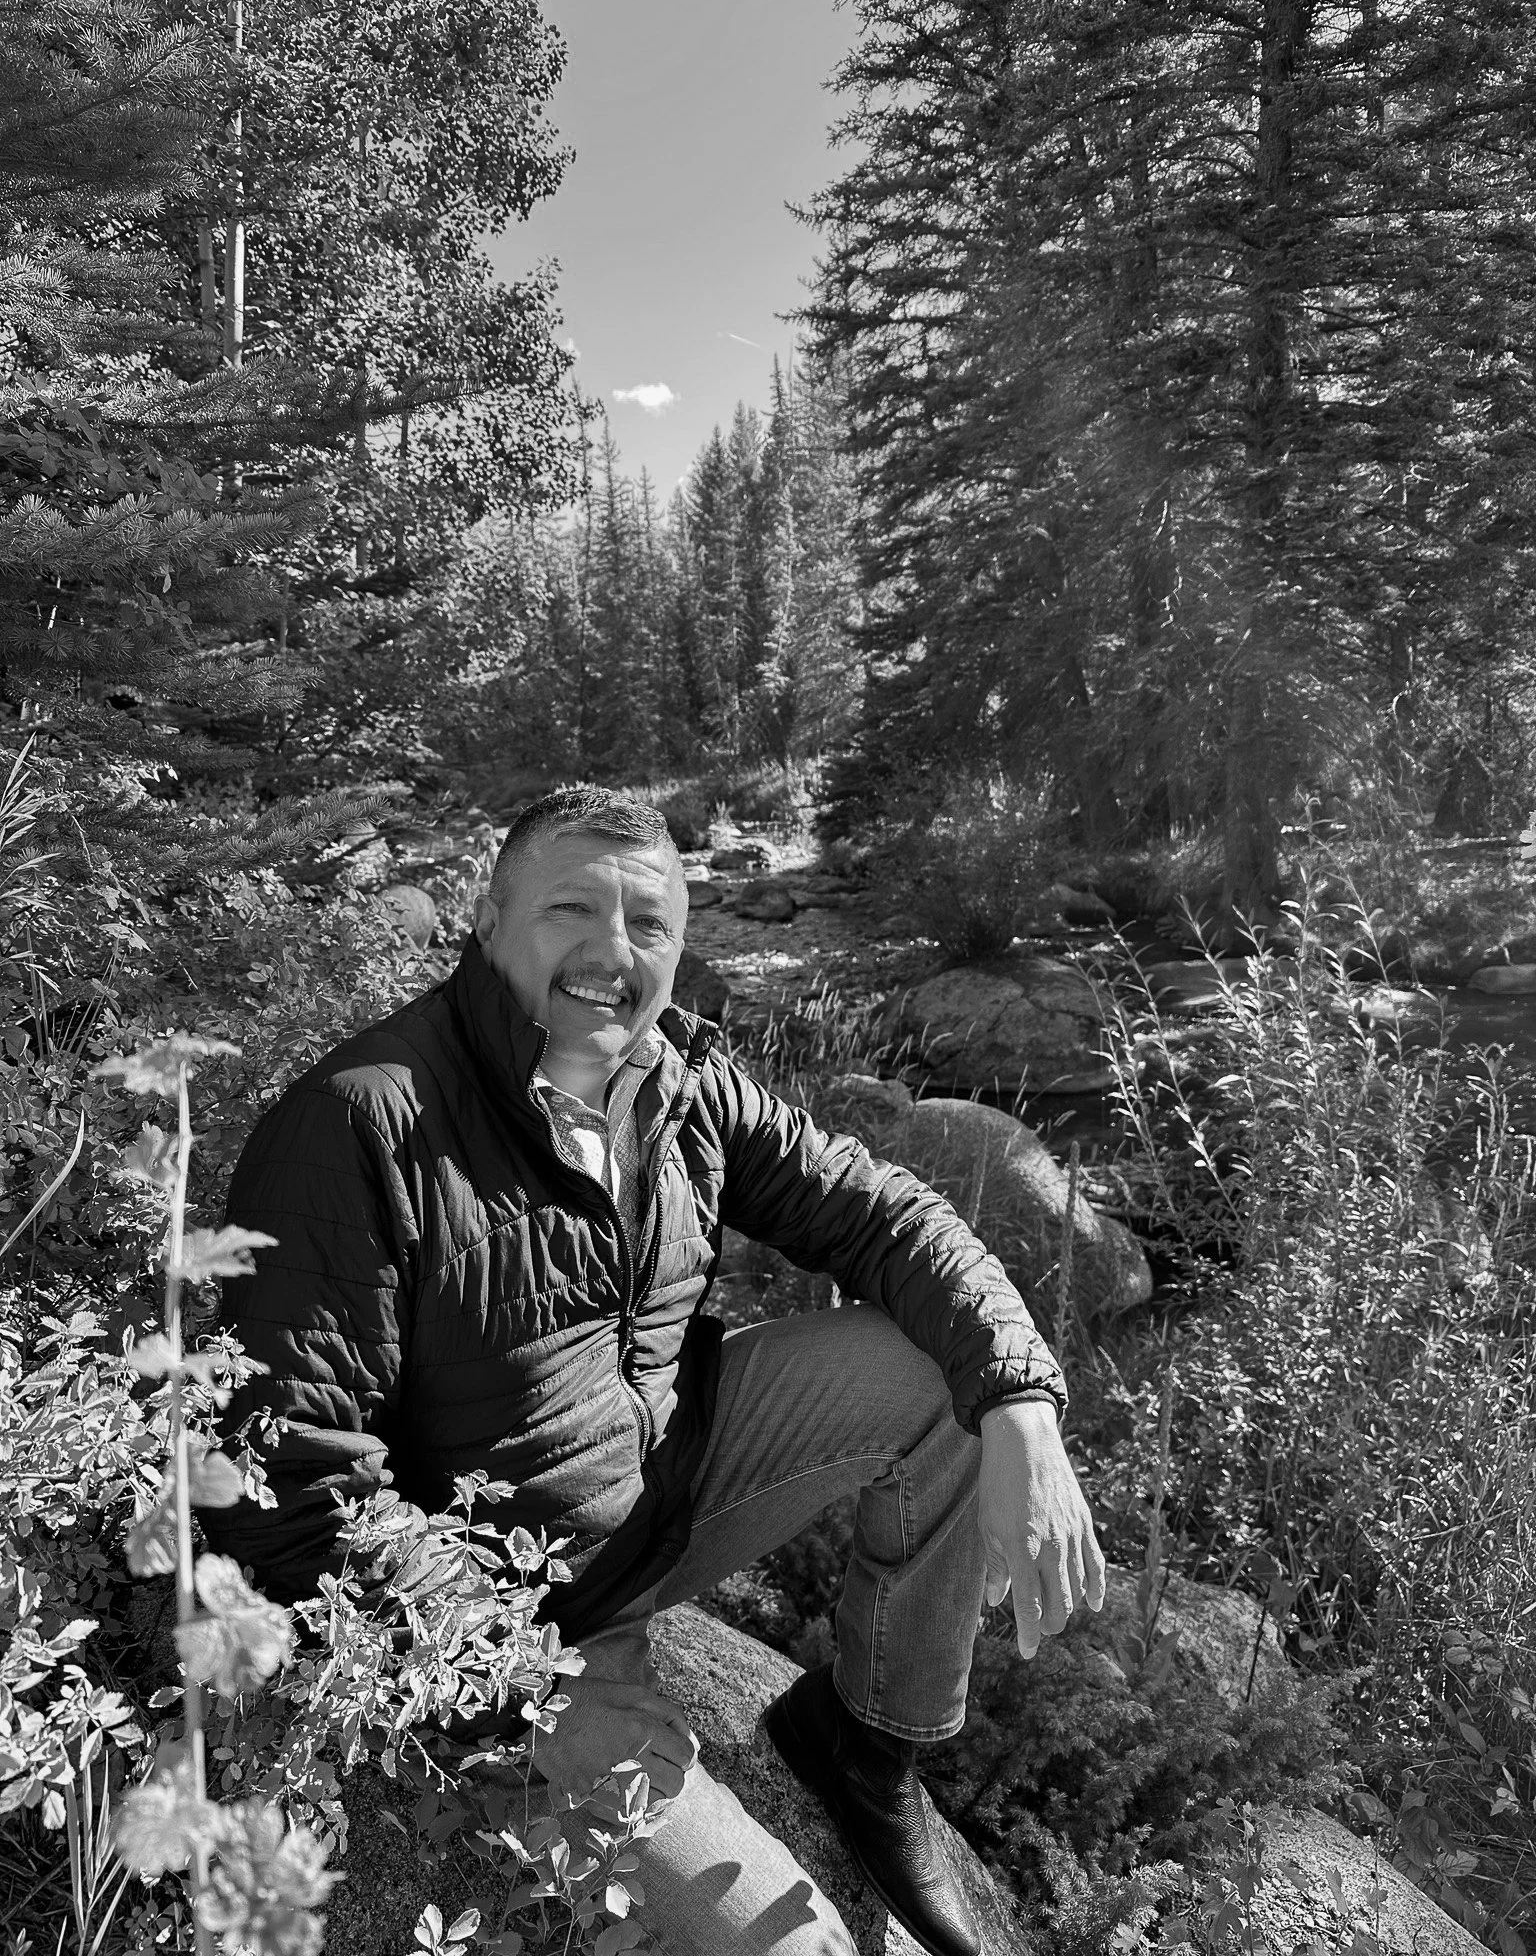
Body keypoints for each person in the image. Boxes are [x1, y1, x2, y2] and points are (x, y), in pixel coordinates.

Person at [205, 785, 1105, 1956]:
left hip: (658, 1494)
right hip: (500, 1614)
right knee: (802, 1945)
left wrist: (1026, 1402)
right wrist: (515, 1678)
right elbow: (290, 1485)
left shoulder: (681, 1081)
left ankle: (869, 1743)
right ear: (487, 921)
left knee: (956, 1385)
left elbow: (885, 1214)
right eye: (570, 908)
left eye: (649, 924)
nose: (610, 952)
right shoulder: (360, 1124)